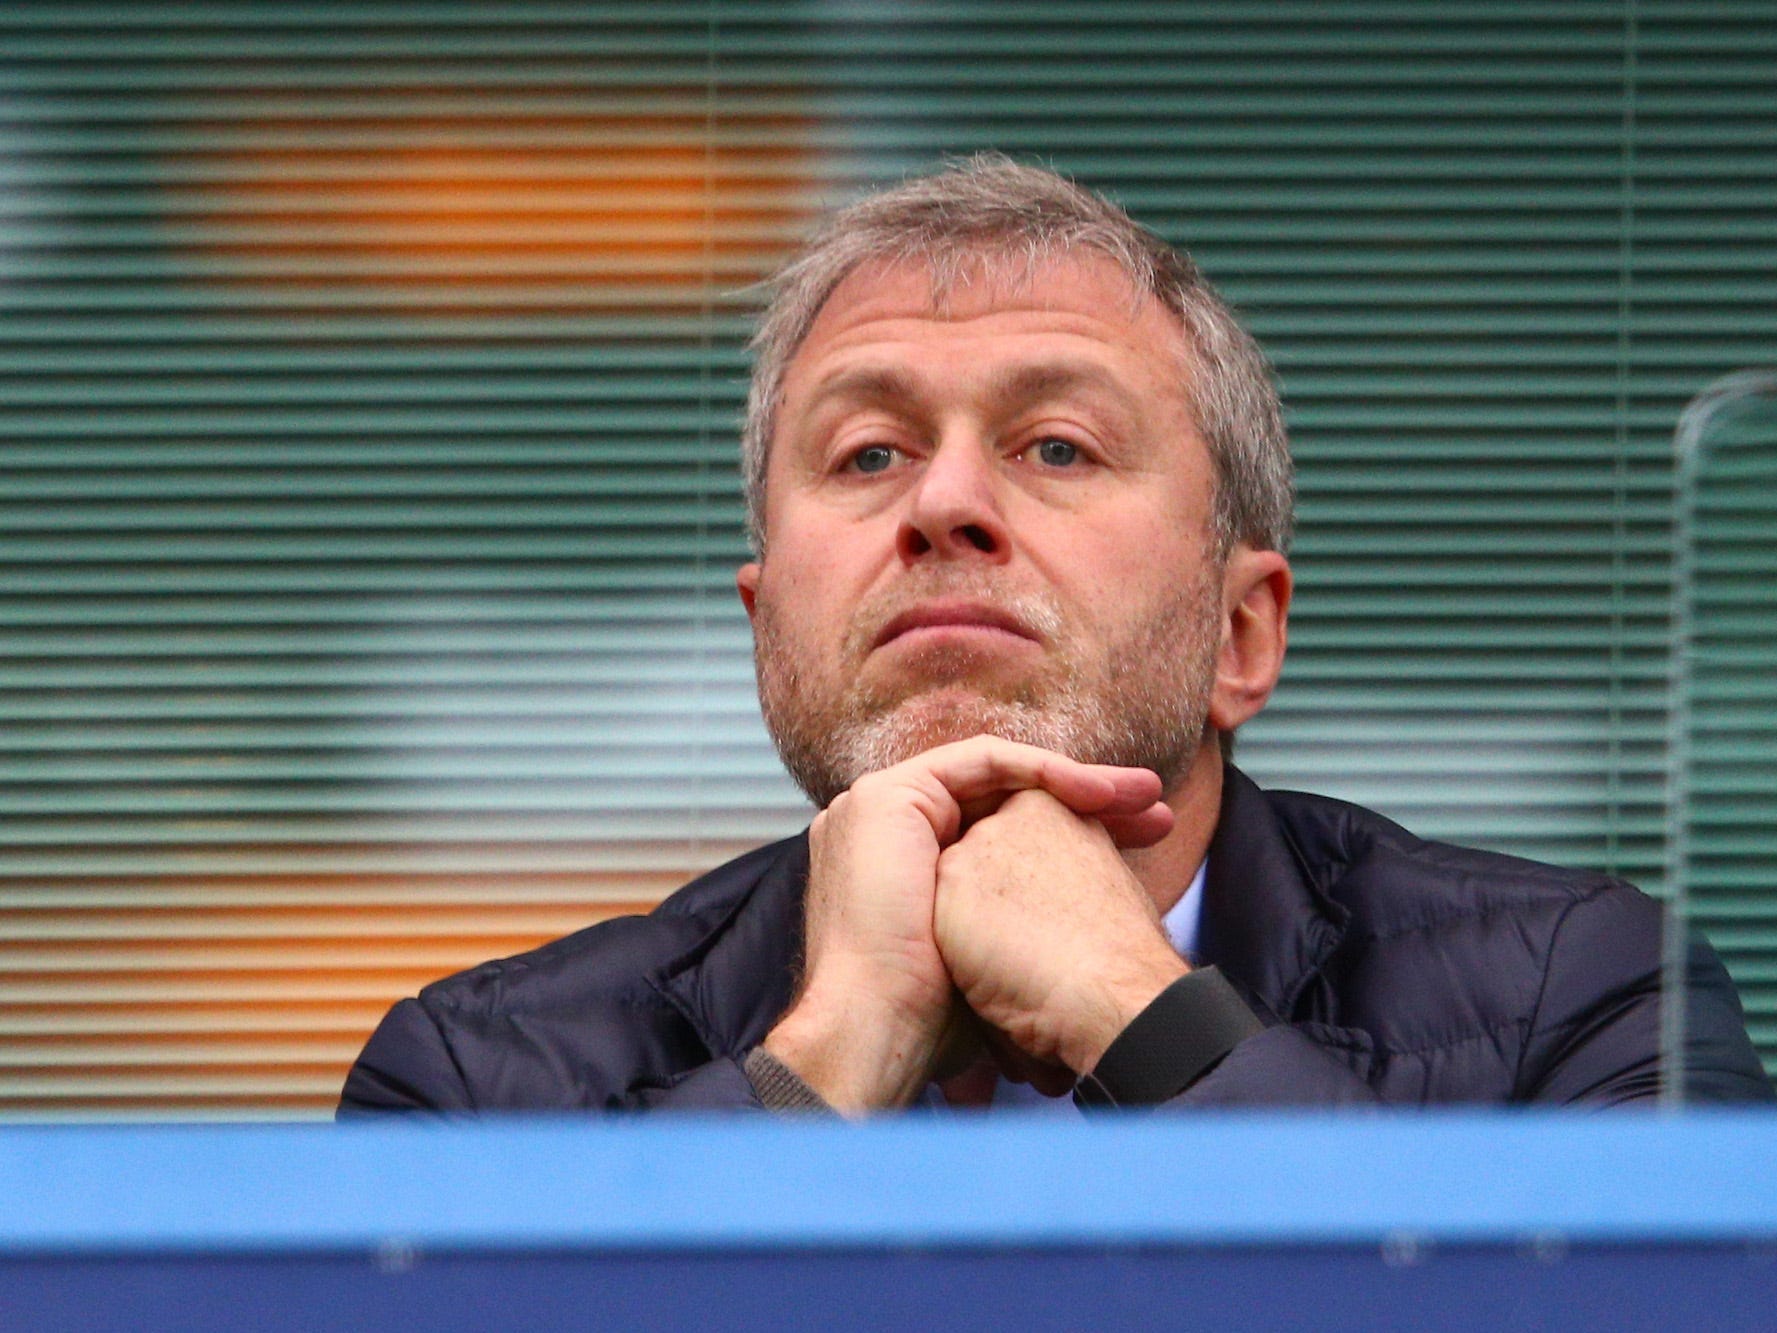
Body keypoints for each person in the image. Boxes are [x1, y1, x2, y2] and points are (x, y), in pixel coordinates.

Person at [339, 155, 1772, 1115]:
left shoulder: (1582, 1000)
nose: (944, 503)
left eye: (1059, 446)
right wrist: (826, 1060)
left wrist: (1139, 1014)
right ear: (768, 627)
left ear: (1239, 631)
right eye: (864, 455)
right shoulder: (476, 1082)